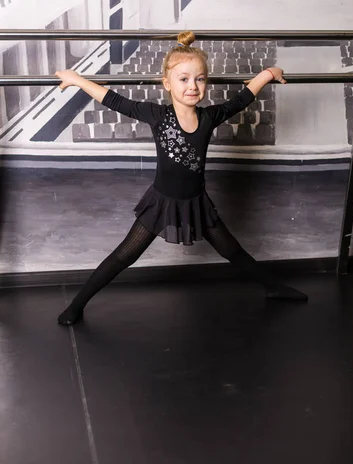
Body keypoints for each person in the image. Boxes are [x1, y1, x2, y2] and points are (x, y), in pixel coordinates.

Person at [56, 31, 307, 325]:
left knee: (232, 250)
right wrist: (76, 79)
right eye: (184, 79)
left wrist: (267, 74)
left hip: (196, 202)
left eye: (200, 79)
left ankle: (274, 288)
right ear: (167, 83)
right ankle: (77, 304)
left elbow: (241, 99)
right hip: (162, 202)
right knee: (124, 255)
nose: (193, 86)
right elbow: (113, 100)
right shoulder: (156, 115)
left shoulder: (210, 116)